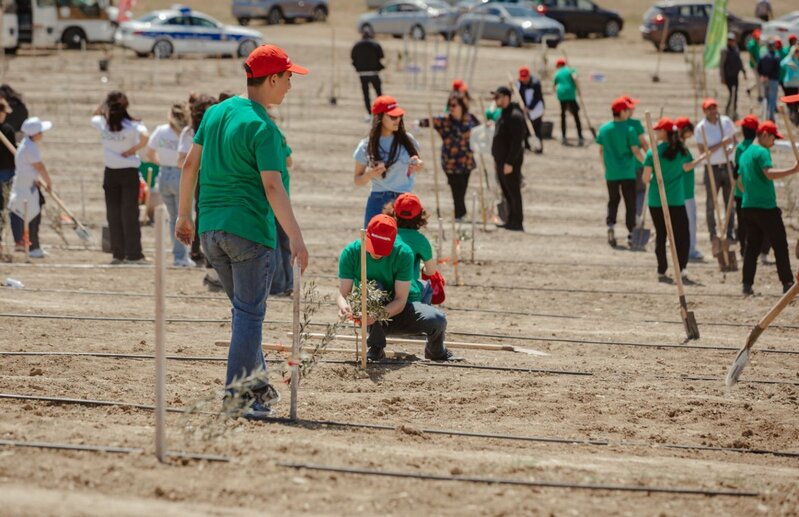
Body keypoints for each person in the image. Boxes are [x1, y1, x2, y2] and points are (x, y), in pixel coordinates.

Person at [175, 44, 308, 419]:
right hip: (249, 233)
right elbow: (272, 186)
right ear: (271, 79)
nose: (290, 87)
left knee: (244, 314)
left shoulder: (216, 113)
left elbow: (189, 166)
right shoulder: (263, 127)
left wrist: (184, 215)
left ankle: (258, 385)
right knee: (249, 316)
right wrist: (296, 238)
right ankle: (239, 398)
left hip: (211, 233)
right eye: (288, 79)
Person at [336, 214, 456, 362]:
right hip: (368, 311)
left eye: (382, 249)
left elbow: (400, 300)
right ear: (366, 236)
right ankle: (375, 348)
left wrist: (377, 316)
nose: (377, 253)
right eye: (374, 247)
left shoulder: (403, 253)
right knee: (373, 288)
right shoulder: (351, 252)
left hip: (401, 309)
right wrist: (344, 307)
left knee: (438, 320)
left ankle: (435, 352)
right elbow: (343, 294)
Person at [642, 117, 708, 284]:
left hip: (657, 200)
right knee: (681, 235)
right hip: (676, 200)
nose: (656, 132)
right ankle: (682, 268)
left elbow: (645, 178)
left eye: (658, 129)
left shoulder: (653, 152)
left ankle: (661, 269)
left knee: (661, 235)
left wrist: (656, 177)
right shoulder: (682, 150)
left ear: (665, 132)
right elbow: (686, 167)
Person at [738, 120, 799, 295]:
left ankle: (747, 284)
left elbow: (741, 183)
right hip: (765, 207)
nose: (773, 143)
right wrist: (794, 170)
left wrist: (752, 192)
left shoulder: (745, 153)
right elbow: (769, 174)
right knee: (780, 244)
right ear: (764, 134)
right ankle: (787, 282)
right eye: (773, 138)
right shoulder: (762, 152)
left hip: (748, 206)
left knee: (752, 247)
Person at [91, 91, 149, 265]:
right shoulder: (132, 125)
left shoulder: (102, 123)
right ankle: (134, 254)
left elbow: (94, 114)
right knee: (130, 213)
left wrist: (105, 102)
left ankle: (118, 253)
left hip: (111, 172)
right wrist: (133, 150)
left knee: (113, 213)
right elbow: (146, 136)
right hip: (129, 171)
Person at [354, 95, 423, 229]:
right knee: (373, 246)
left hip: (404, 202)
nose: (397, 120)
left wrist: (418, 165)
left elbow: (419, 165)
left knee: (403, 246)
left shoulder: (408, 140)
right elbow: (357, 180)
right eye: (392, 117)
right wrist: (370, 174)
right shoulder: (366, 145)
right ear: (379, 117)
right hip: (378, 200)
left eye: (399, 116)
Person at [418, 91, 480, 221]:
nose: (451, 108)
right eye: (449, 105)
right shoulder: (444, 121)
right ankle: (459, 214)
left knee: (463, 188)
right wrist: (418, 123)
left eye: (454, 105)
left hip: (467, 160)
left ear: (462, 106)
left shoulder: (471, 119)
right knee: (456, 188)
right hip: (450, 162)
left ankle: (461, 212)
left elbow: (481, 129)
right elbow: (428, 121)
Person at [146, 103, 192, 267]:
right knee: (185, 217)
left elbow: (149, 153)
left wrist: (162, 163)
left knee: (173, 218)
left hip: (164, 175)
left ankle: (178, 256)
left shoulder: (160, 131)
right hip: (181, 175)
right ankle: (183, 257)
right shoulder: (187, 133)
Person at [596, 97, 644, 248]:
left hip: (611, 173)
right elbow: (636, 150)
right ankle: (631, 234)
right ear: (622, 112)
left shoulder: (604, 129)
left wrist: (605, 167)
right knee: (630, 203)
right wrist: (647, 162)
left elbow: (601, 151)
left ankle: (610, 226)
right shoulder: (629, 130)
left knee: (613, 201)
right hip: (627, 172)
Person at [178, 93, 217, 270]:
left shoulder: (209, 129)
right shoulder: (192, 132)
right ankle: (201, 251)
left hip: (209, 174)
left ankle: (203, 252)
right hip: (202, 175)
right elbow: (182, 161)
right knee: (202, 214)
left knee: (202, 214)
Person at [8, 117, 53, 259]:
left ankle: (34, 245)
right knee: (32, 216)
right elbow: (39, 166)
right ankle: (32, 247)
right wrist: (48, 182)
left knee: (33, 215)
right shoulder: (30, 147)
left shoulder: (26, 145)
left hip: (28, 184)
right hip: (27, 188)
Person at [694, 98, 736, 243]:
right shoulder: (701, 128)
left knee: (729, 201)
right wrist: (720, 145)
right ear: (704, 111)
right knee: (711, 203)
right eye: (709, 108)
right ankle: (712, 233)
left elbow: (734, 140)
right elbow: (702, 151)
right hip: (711, 168)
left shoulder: (725, 122)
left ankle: (729, 232)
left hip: (728, 164)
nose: (712, 111)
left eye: (714, 108)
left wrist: (730, 147)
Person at [384, 193, 437, 305]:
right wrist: (422, 269)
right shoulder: (420, 240)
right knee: (426, 286)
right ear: (420, 215)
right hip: (408, 291)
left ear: (393, 212)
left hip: (384, 287)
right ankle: (420, 316)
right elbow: (431, 271)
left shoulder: (386, 233)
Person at [732, 114, 771, 263]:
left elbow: (737, 171)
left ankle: (744, 251)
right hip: (759, 194)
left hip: (741, 193)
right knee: (764, 224)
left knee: (743, 225)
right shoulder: (761, 149)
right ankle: (763, 252)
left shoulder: (740, 148)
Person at [490, 86, 526, 231]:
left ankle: (517, 221)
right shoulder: (503, 114)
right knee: (506, 192)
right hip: (501, 161)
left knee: (513, 191)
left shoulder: (515, 116)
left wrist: (510, 162)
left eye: (497, 97)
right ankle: (510, 220)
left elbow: (517, 142)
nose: (495, 100)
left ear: (506, 97)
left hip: (509, 162)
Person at [675, 117, 703, 261]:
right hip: (685, 191)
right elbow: (685, 167)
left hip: (682, 190)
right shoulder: (679, 147)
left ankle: (686, 248)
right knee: (690, 222)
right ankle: (690, 250)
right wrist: (701, 159)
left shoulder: (677, 146)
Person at [619, 96, 649, 222]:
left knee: (628, 196)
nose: (634, 109)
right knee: (640, 192)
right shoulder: (635, 124)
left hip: (621, 168)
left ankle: (631, 221)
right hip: (637, 165)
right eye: (632, 107)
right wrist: (650, 160)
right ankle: (636, 217)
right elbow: (643, 144)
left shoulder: (614, 125)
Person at [351, 33, 384, 119]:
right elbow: (381, 56)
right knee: (379, 94)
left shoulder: (356, 45)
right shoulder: (375, 44)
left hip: (363, 74)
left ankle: (369, 113)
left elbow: (353, 59)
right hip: (374, 73)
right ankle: (380, 112)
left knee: (366, 94)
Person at [553, 58, 584, 146]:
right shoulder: (571, 70)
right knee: (576, 115)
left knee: (563, 115)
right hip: (570, 94)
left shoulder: (557, 73)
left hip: (561, 94)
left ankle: (563, 136)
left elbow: (554, 85)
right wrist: (578, 90)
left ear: (558, 65)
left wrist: (556, 93)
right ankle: (580, 136)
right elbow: (575, 78)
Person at [515, 66, 545, 153]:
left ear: (529, 76)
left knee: (536, 129)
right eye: (522, 78)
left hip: (536, 110)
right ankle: (527, 146)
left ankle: (539, 148)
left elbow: (537, 97)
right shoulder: (519, 83)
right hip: (525, 109)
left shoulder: (536, 83)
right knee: (525, 129)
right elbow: (518, 94)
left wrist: (530, 107)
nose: (524, 80)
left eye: (525, 78)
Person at [720, 32, 747, 119]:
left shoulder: (736, 49)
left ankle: (734, 110)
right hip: (728, 76)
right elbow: (721, 65)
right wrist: (722, 78)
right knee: (732, 94)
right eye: (729, 40)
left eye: (732, 40)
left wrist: (743, 71)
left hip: (735, 75)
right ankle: (728, 110)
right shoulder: (724, 50)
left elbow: (739, 61)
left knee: (735, 94)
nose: (731, 42)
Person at [0, 99, 15, 247]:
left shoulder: (6, 129)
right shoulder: (7, 129)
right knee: (2, 206)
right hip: (5, 172)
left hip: (6, 171)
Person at [758, 39, 782, 121]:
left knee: (767, 98)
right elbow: (776, 69)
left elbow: (759, 68)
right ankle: (771, 117)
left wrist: (763, 75)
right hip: (773, 80)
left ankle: (765, 115)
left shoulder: (763, 56)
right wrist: (768, 76)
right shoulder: (776, 56)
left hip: (765, 79)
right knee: (772, 98)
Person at [781, 43, 799, 124]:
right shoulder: (789, 59)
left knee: (796, 102)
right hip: (789, 84)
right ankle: (791, 113)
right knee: (789, 102)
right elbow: (782, 63)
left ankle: (795, 116)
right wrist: (789, 63)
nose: (797, 53)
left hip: (797, 85)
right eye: (796, 51)